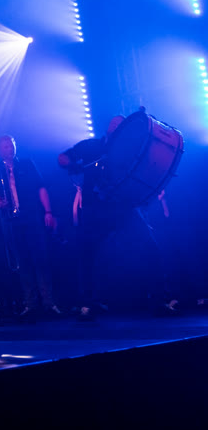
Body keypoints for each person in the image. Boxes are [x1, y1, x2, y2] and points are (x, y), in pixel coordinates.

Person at [58, 115, 176, 320]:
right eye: (116, 127)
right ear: (109, 130)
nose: (120, 131)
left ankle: (159, 300)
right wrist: (72, 164)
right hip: (95, 208)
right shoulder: (91, 146)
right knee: (87, 254)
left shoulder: (132, 151)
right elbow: (63, 158)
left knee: (150, 247)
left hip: (123, 206)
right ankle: (87, 303)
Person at [0, 135, 60, 319]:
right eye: (5, 147)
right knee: (23, 261)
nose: (10, 149)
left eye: (11, 145)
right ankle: (30, 304)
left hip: (32, 217)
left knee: (41, 259)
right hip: (12, 220)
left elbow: (41, 187)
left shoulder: (27, 164)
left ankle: (49, 303)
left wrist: (48, 212)